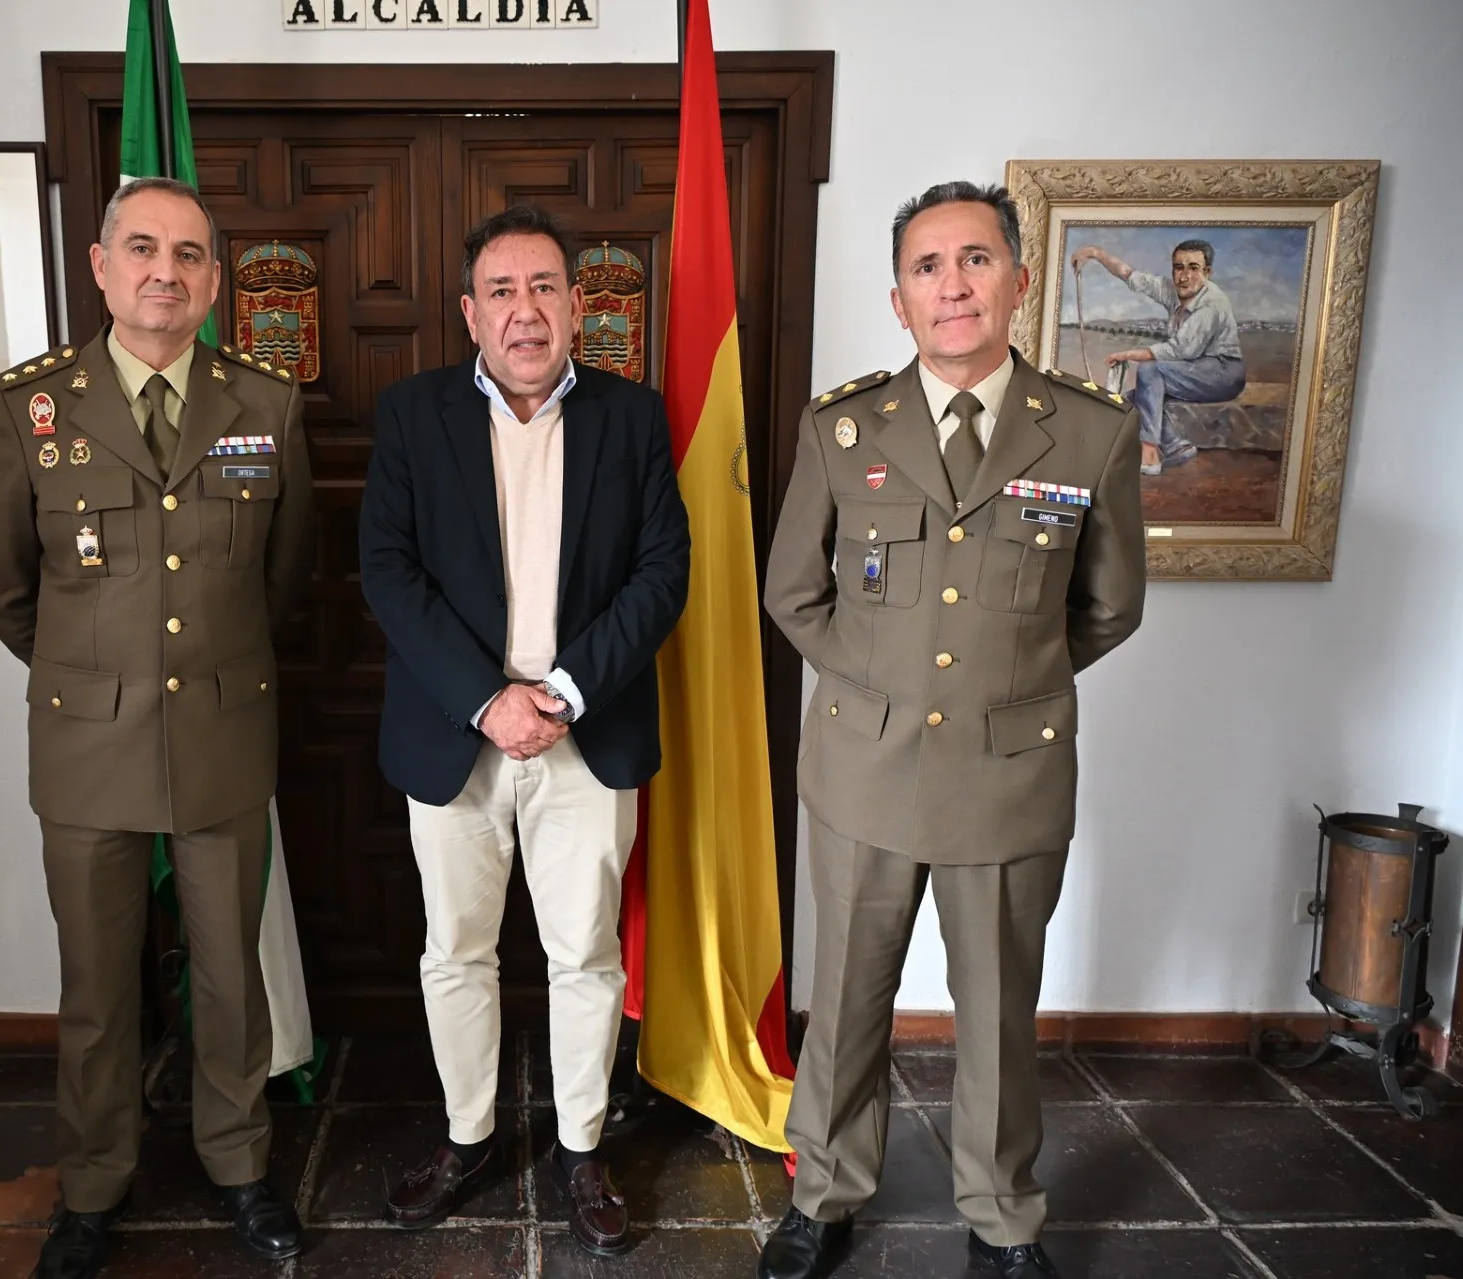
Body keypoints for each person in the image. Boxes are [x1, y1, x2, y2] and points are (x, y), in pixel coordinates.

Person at [757, 181, 1146, 1279]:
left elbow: (1111, 605)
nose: (953, 285)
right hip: (863, 770)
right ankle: (823, 1196)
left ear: (1019, 280)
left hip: (1009, 776)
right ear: (898, 299)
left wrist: (1005, 684)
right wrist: (883, 687)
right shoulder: (844, 427)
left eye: (976, 260)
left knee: (998, 1016)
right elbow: (794, 594)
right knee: (842, 1005)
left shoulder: (1090, 430)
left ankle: (1003, 1217)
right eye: (928, 268)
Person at [0, 176, 314, 1278]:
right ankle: (92, 1184)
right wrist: (102, 676)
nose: (166, 271)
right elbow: (4, 587)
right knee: (98, 985)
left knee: (229, 978)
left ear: (213, 279)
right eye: (144, 249)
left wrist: (191, 670)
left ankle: (239, 1163)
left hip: (221, 733)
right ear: (100, 263)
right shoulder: (29, 405)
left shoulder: (265, 403)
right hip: (86, 745)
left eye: (189, 255)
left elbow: (286, 576)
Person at [357, 204, 690, 1258]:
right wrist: (488, 697)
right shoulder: (411, 416)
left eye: (544, 287)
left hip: (584, 738)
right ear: (469, 313)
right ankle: (467, 1138)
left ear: (578, 305)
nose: (525, 310)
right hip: (454, 737)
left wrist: (564, 690)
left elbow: (661, 573)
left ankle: (583, 1146)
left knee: (585, 951)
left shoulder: (633, 420)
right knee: (455, 950)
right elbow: (389, 573)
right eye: (501, 291)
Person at [1071, 239, 1246, 475]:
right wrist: (1094, 253)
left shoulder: (1212, 304)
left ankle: (1150, 453)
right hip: (1191, 371)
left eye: (1193, 268)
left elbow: (1180, 350)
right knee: (1131, 400)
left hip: (1223, 373)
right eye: (1178, 267)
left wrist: (1128, 354)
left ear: (1207, 272)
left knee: (1150, 370)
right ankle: (1175, 446)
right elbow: (1130, 276)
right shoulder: (1172, 291)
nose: (1183, 276)